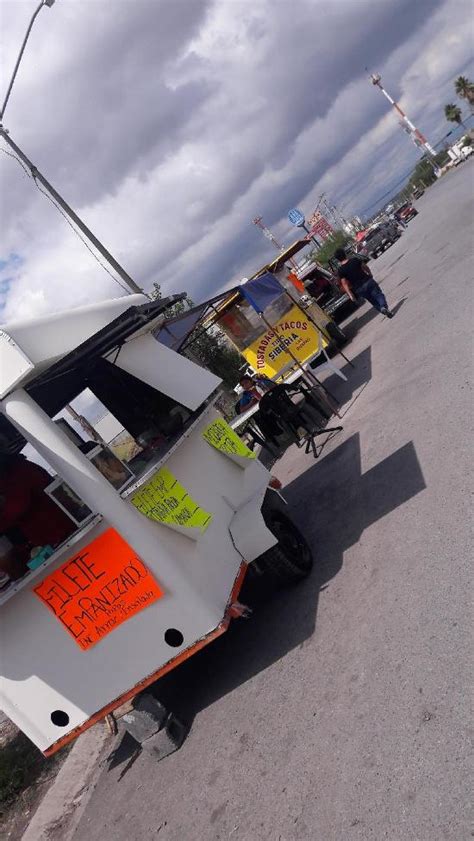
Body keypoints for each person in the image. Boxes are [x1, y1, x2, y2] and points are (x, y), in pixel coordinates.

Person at [0, 450, 75, 579]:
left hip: (62, 534)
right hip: (50, 538)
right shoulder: (15, 470)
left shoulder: (18, 473)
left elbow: (16, 508)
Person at [334, 247, 393, 318]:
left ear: (338, 259)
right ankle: (383, 307)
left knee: (372, 301)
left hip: (359, 289)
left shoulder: (341, 270)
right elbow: (365, 267)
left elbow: (344, 284)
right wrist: (370, 273)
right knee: (378, 295)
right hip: (367, 281)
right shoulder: (354, 260)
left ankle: (382, 309)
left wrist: (350, 294)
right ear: (345, 254)